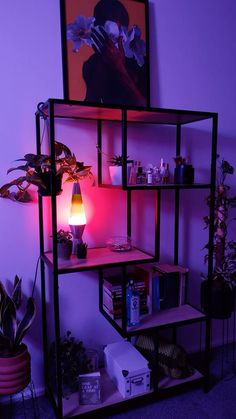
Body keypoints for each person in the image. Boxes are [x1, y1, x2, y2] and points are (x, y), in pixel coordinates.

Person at [82, 0, 147, 106]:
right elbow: (90, 109)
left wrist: (120, 68)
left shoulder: (139, 64)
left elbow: (144, 106)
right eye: (111, 37)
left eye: (121, 36)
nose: (114, 45)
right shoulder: (92, 65)